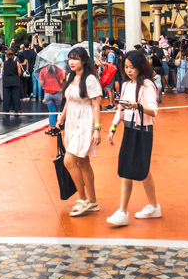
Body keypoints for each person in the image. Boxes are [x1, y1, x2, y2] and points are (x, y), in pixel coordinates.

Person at [106, 50, 161, 227]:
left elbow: (154, 111)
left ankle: (129, 210)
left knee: (141, 169)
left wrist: (137, 106)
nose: (129, 70)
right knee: (127, 169)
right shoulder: (126, 85)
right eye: (126, 67)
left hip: (143, 131)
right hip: (130, 130)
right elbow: (121, 109)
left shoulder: (147, 85)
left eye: (132, 67)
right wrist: (113, 127)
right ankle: (132, 209)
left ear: (140, 66)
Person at [56, 46, 103, 217]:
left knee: (69, 161)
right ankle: (92, 200)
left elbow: (96, 105)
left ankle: (83, 199)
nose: (72, 62)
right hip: (72, 122)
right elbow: (68, 101)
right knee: (83, 163)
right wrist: (61, 119)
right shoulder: (70, 77)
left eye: (75, 58)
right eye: (70, 58)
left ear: (83, 60)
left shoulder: (89, 79)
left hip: (85, 121)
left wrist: (97, 129)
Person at [40, 62, 66, 135]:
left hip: (48, 93)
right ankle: (57, 127)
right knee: (57, 110)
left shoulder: (43, 71)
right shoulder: (59, 70)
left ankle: (52, 127)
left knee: (52, 111)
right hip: (58, 93)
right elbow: (61, 82)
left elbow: (41, 83)